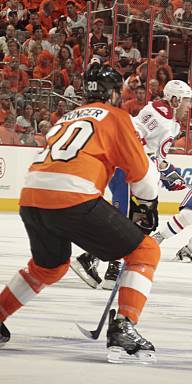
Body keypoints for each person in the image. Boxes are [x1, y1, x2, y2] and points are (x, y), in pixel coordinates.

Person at [0, 63, 160, 363]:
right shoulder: (117, 116)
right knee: (145, 252)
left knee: (49, 267)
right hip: (72, 196)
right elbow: (143, 177)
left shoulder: (66, 118)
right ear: (113, 93)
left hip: (32, 198)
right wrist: (148, 207)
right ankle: (124, 328)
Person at [70, 80, 192, 290]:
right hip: (125, 168)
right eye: (187, 101)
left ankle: (98, 262)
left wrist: (166, 171)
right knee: (126, 221)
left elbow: (153, 154)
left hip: (135, 170)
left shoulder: (171, 122)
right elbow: (132, 135)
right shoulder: (157, 112)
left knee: (132, 222)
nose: (189, 106)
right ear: (175, 99)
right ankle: (103, 265)